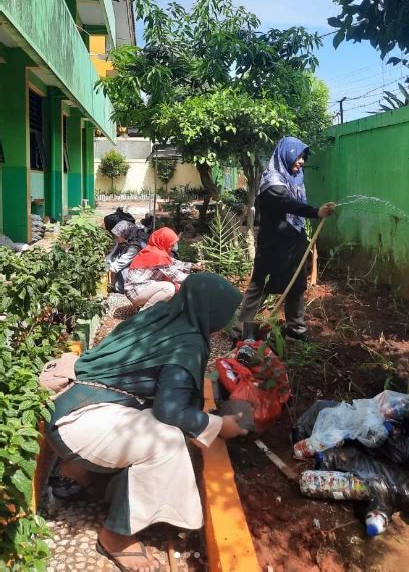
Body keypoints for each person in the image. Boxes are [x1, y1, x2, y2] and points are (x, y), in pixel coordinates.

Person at [45, 273, 246, 572]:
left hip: (71, 404)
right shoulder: (186, 343)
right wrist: (218, 425)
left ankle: (78, 471)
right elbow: (170, 411)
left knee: (157, 423)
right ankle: (116, 536)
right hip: (80, 422)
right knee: (167, 441)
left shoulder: (160, 314)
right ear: (212, 312)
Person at [234, 136, 335, 342]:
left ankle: (295, 329)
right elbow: (286, 203)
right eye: (298, 156)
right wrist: (315, 212)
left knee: (296, 286)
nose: (301, 161)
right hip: (272, 246)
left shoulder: (295, 178)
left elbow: (294, 206)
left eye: (303, 157)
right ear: (286, 154)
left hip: (293, 243)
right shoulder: (272, 181)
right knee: (260, 287)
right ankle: (244, 331)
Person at [124, 227, 201, 309]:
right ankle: (146, 312)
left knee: (169, 281)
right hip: (135, 291)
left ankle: (149, 306)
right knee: (168, 288)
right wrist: (199, 278)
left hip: (136, 288)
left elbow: (174, 263)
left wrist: (193, 266)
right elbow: (178, 277)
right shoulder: (158, 255)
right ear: (164, 241)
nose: (172, 247)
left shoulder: (153, 249)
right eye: (171, 244)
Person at [107, 221, 148, 293]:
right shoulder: (124, 240)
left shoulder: (134, 247)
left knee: (121, 284)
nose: (115, 237)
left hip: (137, 271)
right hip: (125, 264)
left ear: (125, 234)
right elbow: (112, 255)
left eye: (117, 235)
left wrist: (111, 283)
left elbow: (119, 264)